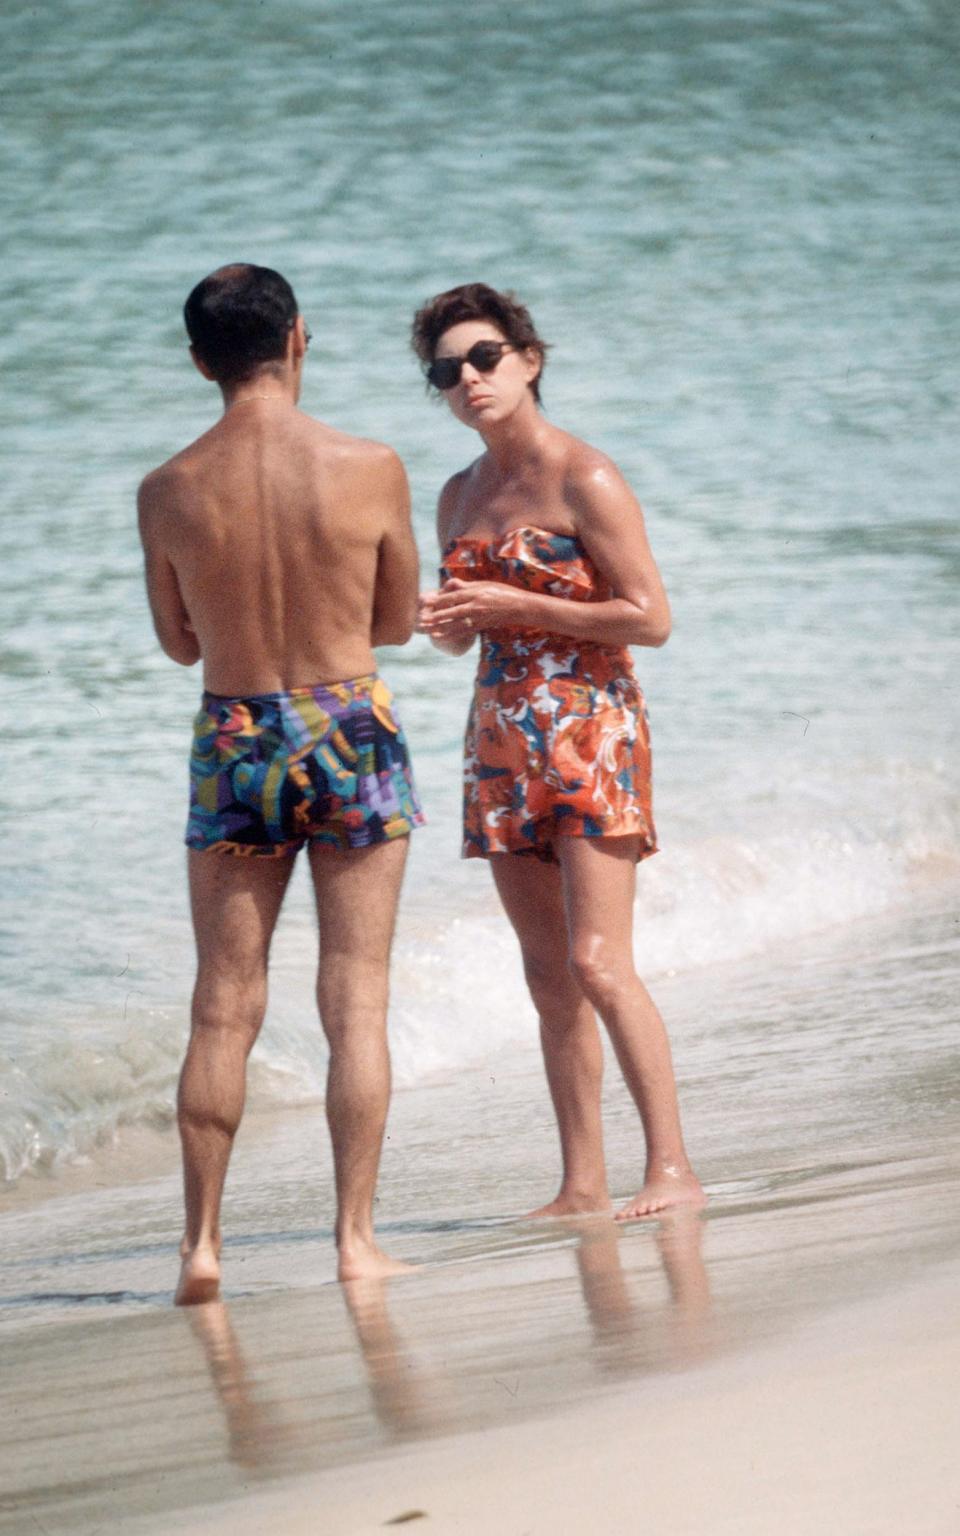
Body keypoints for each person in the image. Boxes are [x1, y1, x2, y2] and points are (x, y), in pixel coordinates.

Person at [138, 264, 423, 1302]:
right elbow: (396, 622)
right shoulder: (370, 464)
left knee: (223, 1003)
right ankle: (354, 1241)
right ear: (300, 338)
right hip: (348, 720)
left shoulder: (167, 488)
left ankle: (201, 1247)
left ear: (200, 362)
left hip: (236, 729)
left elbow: (177, 643)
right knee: (355, 994)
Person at [413, 283, 704, 1221]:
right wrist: (438, 620)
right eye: (447, 370)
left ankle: (671, 1169)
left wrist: (517, 606)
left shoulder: (587, 475)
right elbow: (465, 634)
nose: (468, 379)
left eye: (485, 357)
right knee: (545, 971)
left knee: (597, 961)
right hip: (499, 738)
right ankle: (581, 1183)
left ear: (528, 360)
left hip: (590, 728)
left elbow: (650, 617)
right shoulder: (459, 492)